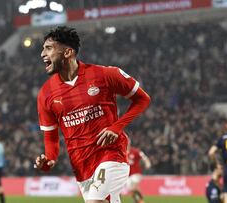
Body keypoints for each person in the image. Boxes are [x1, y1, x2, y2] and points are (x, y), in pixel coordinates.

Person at [35, 26, 151, 203]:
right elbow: (50, 137)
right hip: (81, 166)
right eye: (43, 48)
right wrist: (49, 159)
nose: (43, 53)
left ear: (68, 52)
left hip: (111, 155)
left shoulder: (104, 75)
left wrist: (116, 127)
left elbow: (142, 99)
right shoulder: (46, 93)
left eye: (49, 48)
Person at [126, 139, 151, 203]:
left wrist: (147, 162)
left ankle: (140, 199)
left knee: (134, 186)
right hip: (127, 175)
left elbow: (143, 156)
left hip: (136, 173)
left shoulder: (135, 151)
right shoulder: (123, 152)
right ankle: (138, 200)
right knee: (131, 189)